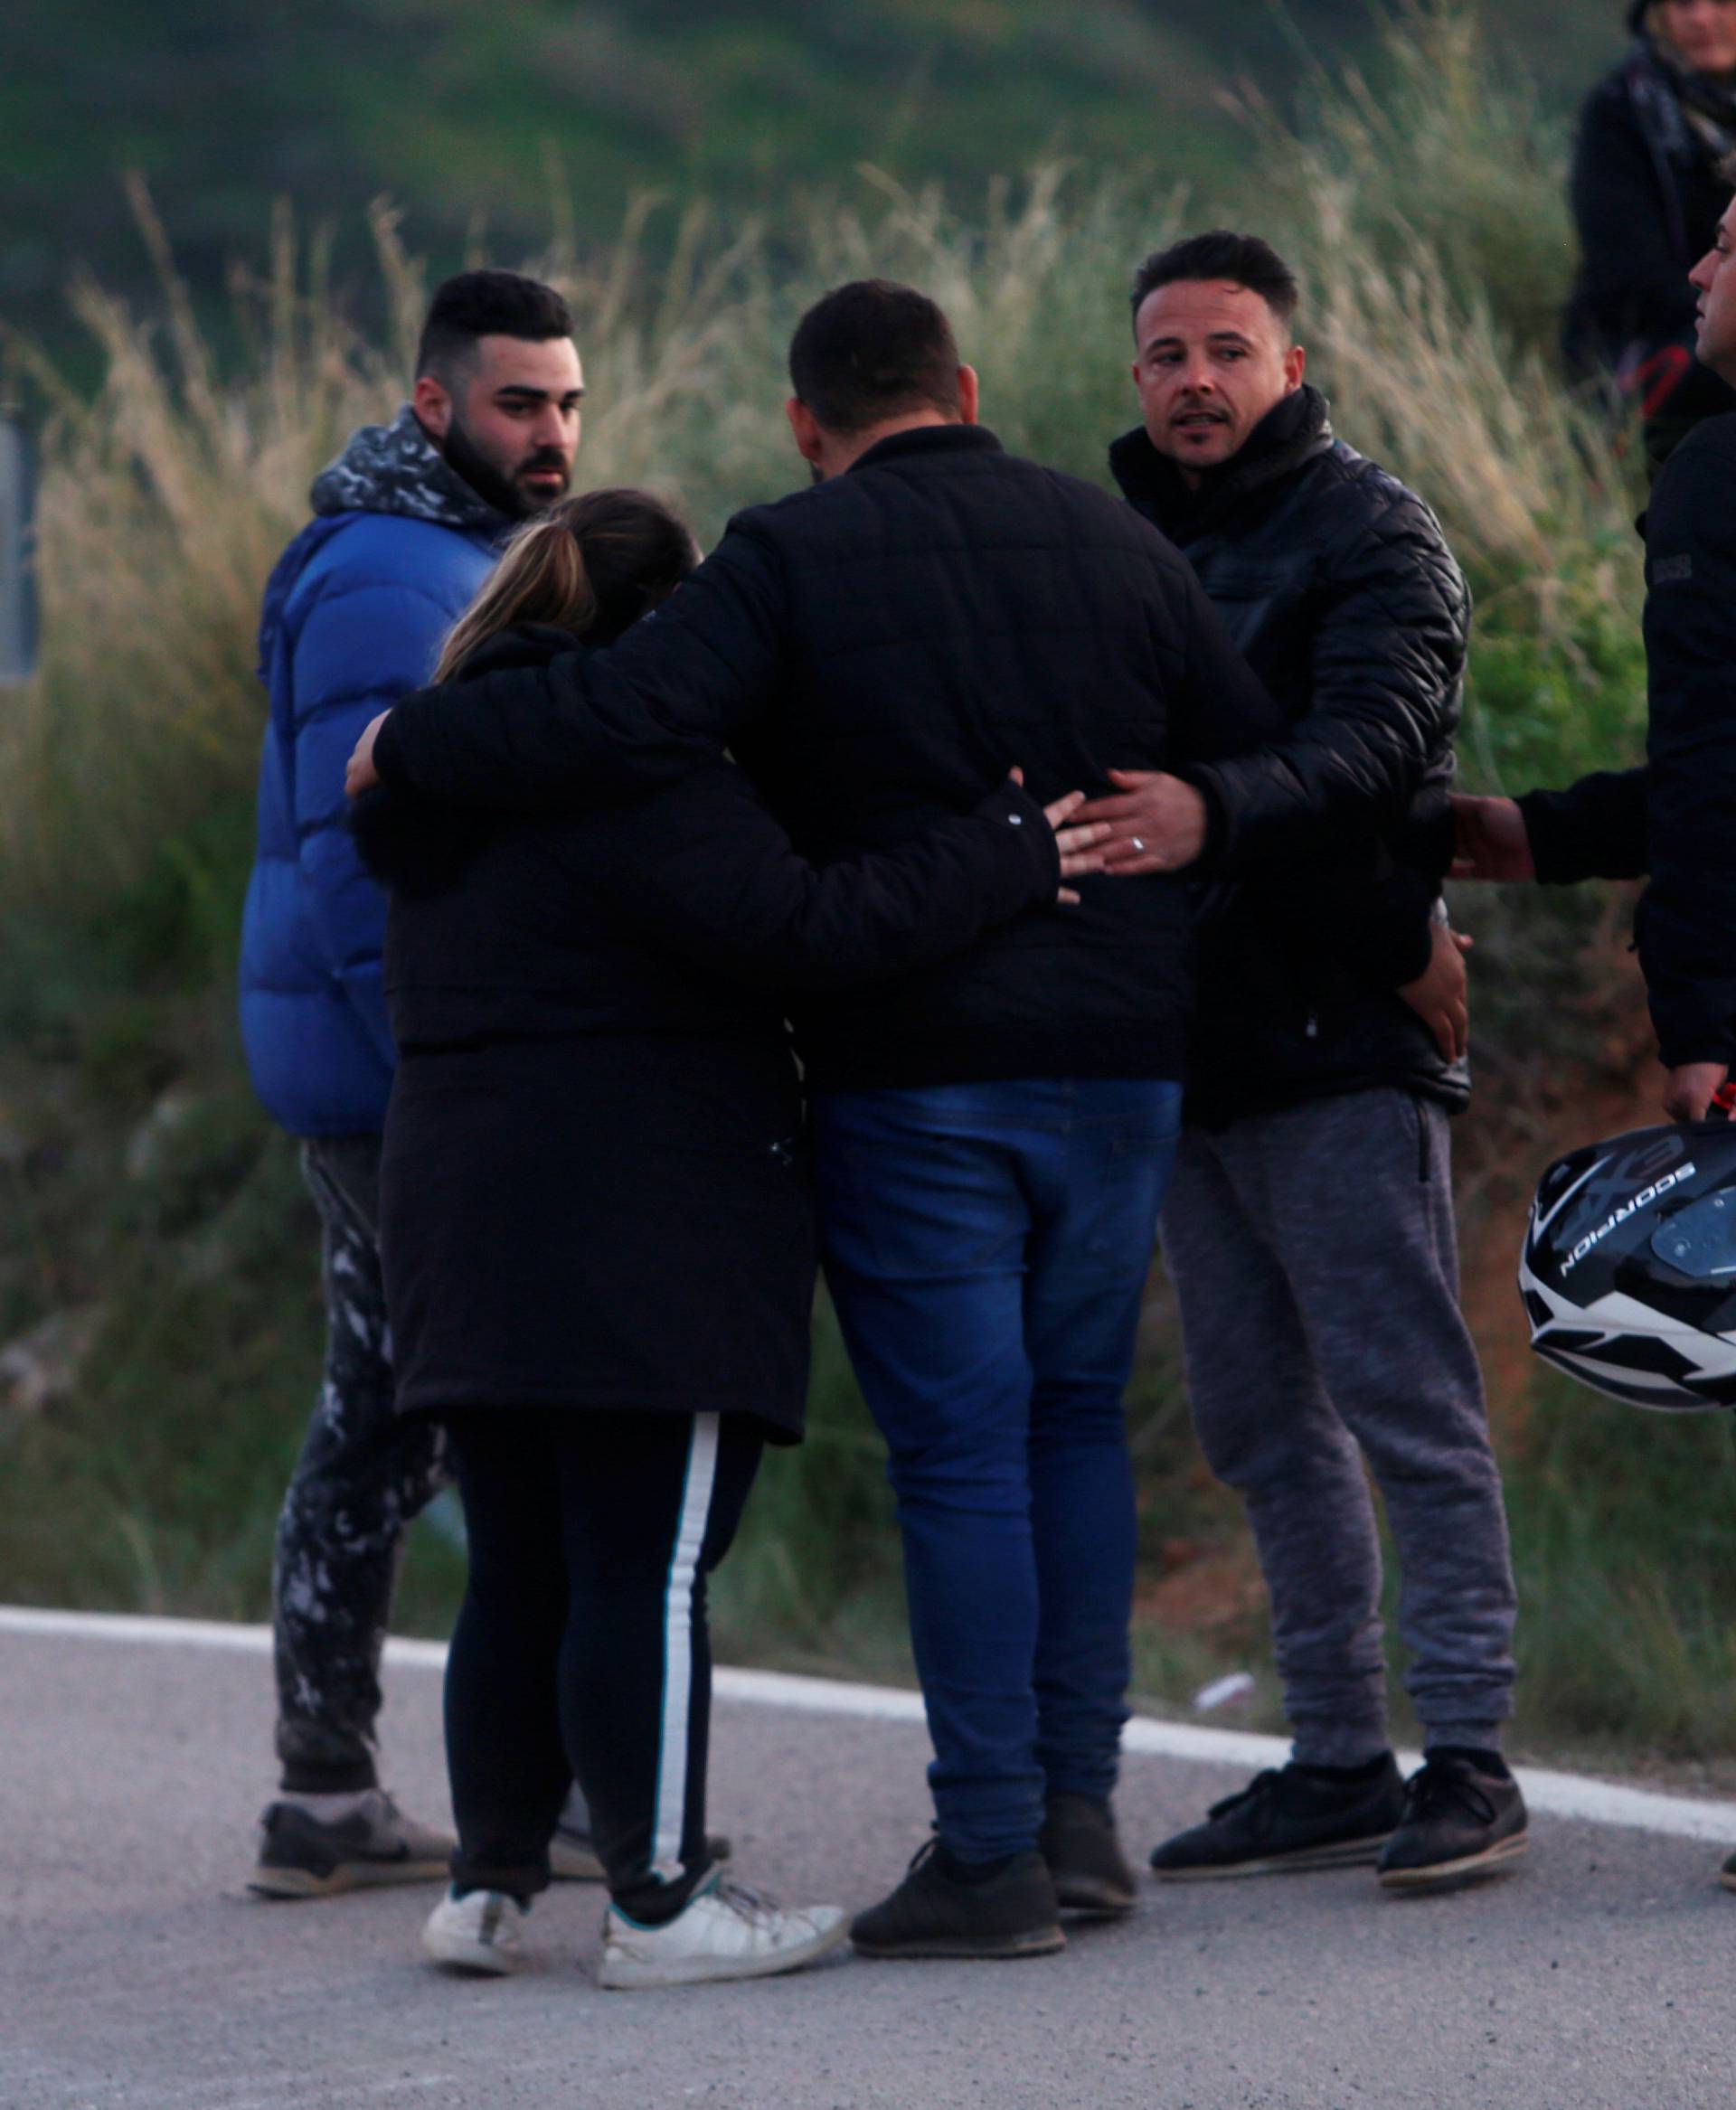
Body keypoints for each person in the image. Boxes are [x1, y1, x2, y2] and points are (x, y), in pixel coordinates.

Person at [347, 278, 1288, 1960]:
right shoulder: (1120, 541)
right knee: (1075, 1423)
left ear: (805, 423)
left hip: (918, 1069)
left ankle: (992, 1845)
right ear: (968, 385)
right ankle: (1081, 1816)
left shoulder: (791, 555)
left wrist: (417, 734)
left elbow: (628, 716)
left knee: (959, 1449)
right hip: (1128, 1063)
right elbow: (1253, 769)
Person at [354, 486, 1108, 1983]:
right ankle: (654, 1898)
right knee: (651, 1556)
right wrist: (1011, 847)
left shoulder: (428, 770)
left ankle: (489, 1879)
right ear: (671, 635)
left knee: (518, 1558)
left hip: (454, 1198)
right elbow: (809, 925)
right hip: (645, 1209)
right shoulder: (640, 769)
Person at [1081, 231, 1525, 1890]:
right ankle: (1337, 1750)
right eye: (1167, 353)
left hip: (1342, 1026)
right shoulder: (1109, 539)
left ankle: (1472, 1751)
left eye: (1227, 348)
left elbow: (1378, 743)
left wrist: (1214, 808)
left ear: (1286, 360)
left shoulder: (1372, 523)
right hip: (1181, 1045)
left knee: (1409, 1401)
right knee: (1259, 1418)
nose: (1196, 379)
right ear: (1134, 375)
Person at [240, 268, 585, 1898]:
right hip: (396, 1072)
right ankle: (553, 1785)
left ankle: (327, 1788)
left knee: (383, 1409)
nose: (555, 434)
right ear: (436, 404)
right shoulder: (390, 574)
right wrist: (442, 1067)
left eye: (571, 403)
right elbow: (357, 853)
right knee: (483, 1404)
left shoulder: (443, 552)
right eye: (522, 403)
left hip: (381, 1065)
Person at [1456, 178, 1736, 1145]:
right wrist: (1558, 835)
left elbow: (1716, 756)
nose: (1698, 272)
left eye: (1728, 249)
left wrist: (1711, 1028)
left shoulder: (1720, 473)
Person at [1563, 0, 1736, 469]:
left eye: (1721, 1)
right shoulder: (1621, 111)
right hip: (1653, 337)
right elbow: (1625, 271)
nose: (1700, 18)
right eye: (1681, 3)